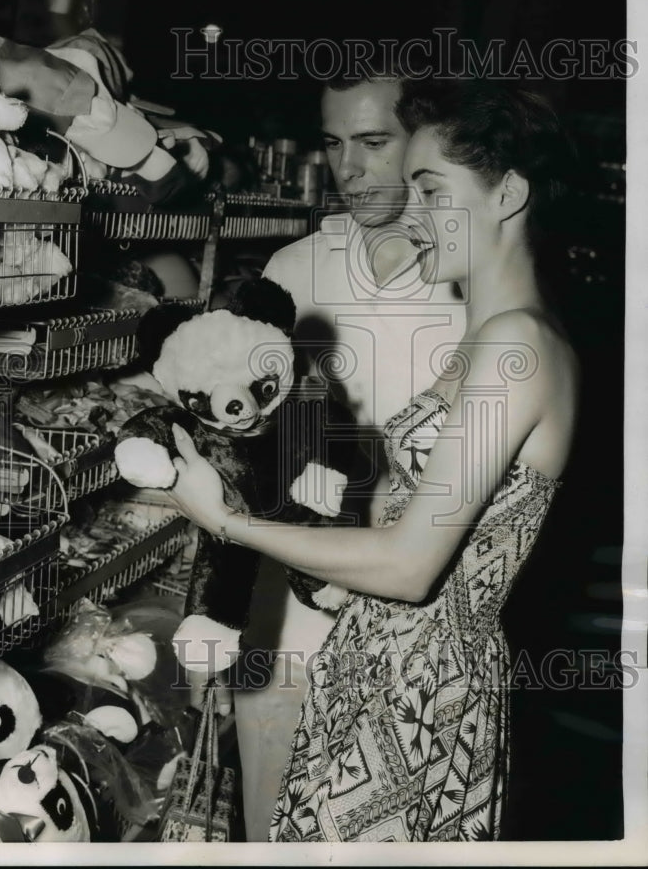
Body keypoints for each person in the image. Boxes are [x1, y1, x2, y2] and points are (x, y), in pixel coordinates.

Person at [166, 78, 578, 841]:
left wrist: (226, 522)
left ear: (507, 193)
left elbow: (409, 567)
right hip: (374, 661)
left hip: (416, 690)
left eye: (431, 190)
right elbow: (401, 515)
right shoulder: (482, 341)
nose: (410, 212)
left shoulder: (515, 346)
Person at [229, 72, 466, 840]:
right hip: (288, 611)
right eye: (333, 144)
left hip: (413, 617)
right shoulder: (291, 271)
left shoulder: (469, 283)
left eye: (373, 142)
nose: (349, 169)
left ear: (426, 142)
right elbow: (244, 438)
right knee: (269, 826)